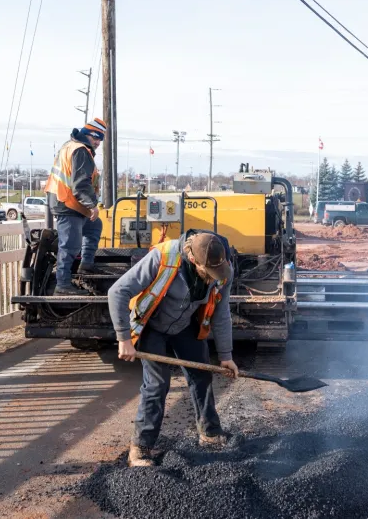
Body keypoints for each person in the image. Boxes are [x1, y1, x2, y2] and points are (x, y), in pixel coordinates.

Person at [107, 230, 239, 467]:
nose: (213, 278)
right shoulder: (163, 257)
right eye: (207, 273)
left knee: (202, 375)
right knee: (157, 383)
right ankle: (141, 448)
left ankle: (209, 433)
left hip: (185, 324)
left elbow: (221, 314)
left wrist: (226, 356)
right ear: (193, 260)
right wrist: (123, 338)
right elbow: (117, 291)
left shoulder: (223, 268)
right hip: (152, 324)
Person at [44, 118, 106, 295]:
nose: (98, 143)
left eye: (100, 140)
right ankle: (62, 285)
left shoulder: (71, 146)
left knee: (94, 226)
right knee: (70, 244)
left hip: (70, 203)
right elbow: (80, 184)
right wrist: (93, 205)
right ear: (89, 135)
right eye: (97, 138)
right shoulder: (80, 151)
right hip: (67, 203)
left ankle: (86, 265)